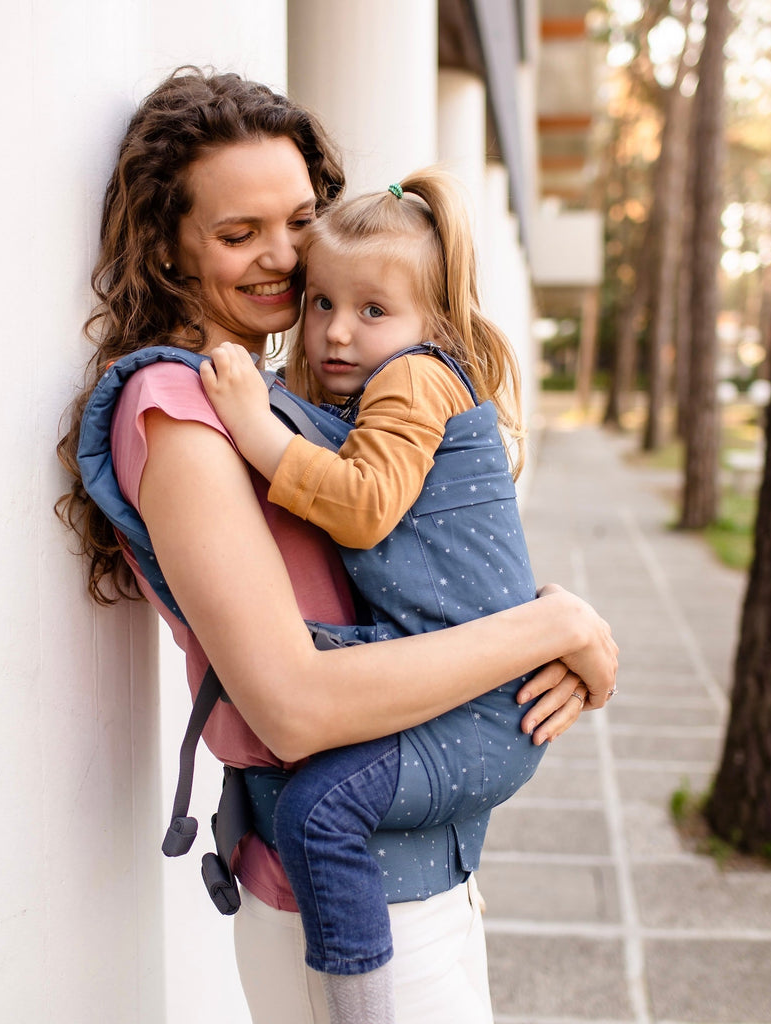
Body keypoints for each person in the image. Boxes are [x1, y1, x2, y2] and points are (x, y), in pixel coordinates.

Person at [56, 67, 618, 1024]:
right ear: (167, 252)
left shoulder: (302, 396)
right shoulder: (184, 415)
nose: (284, 256)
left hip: (419, 871)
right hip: (347, 898)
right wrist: (548, 626)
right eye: (238, 235)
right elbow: (295, 707)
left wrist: (544, 625)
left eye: (299, 220)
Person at [198, 169, 563, 1021]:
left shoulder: (412, 380)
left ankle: (361, 1004)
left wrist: (255, 425)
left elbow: (362, 509)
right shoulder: (369, 387)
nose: (333, 332)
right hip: (469, 686)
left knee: (322, 810)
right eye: (321, 302)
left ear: (430, 323)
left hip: (478, 704)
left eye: (372, 311)